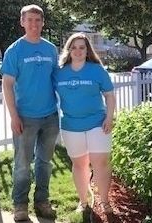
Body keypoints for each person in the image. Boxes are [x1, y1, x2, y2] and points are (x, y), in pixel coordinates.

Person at [0, 4, 59, 221]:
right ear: (22, 22)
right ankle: (20, 205)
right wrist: (14, 115)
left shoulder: (51, 49)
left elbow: (57, 79)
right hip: (25, 117)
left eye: (38, 20)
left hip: (51, 116)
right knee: (23, 164)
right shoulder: (14, 51)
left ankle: (42, 201)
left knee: (45, 163)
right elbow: (7, 84)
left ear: (43, 23)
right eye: (30, 20)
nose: (34, 24)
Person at [55, 32, 116, 214]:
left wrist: (109, 117)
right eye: (74, 47)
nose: (78, 51)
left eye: (82, 47)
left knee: (100, 163)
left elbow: (109, 96)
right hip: (71, 126)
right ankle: (83, 202)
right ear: (68, 50)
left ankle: (104, 202)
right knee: (79, 165)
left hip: (97, 124)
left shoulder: (97, 70)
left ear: (87, 50)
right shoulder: (59, 73)